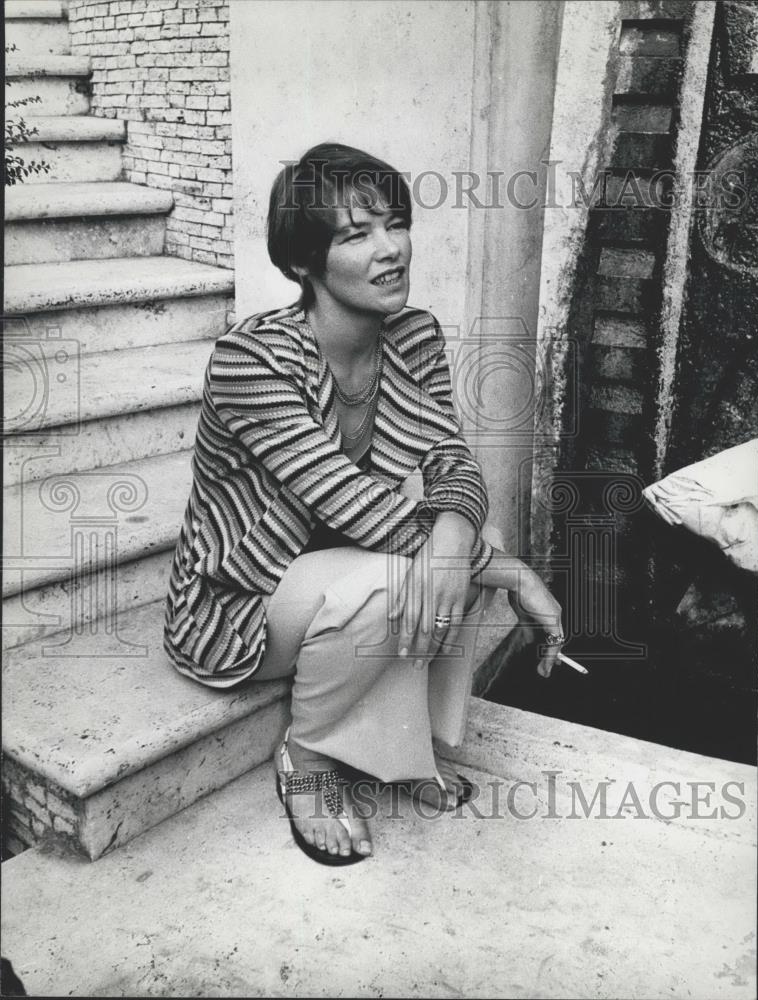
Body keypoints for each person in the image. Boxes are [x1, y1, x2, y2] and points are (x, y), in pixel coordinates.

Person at [164, 142, 564, 866]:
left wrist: (464, 540)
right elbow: (351, 503)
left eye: (394, 224)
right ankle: (309, 756)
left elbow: (451, 462)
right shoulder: (250, 360)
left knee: (456, 544)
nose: (390, 249)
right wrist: (511, 572)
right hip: (242, 598)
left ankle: (403, 752)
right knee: (413, 572)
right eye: (355, 235)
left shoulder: (413, 335)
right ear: (303, 263)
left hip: (326, 568)